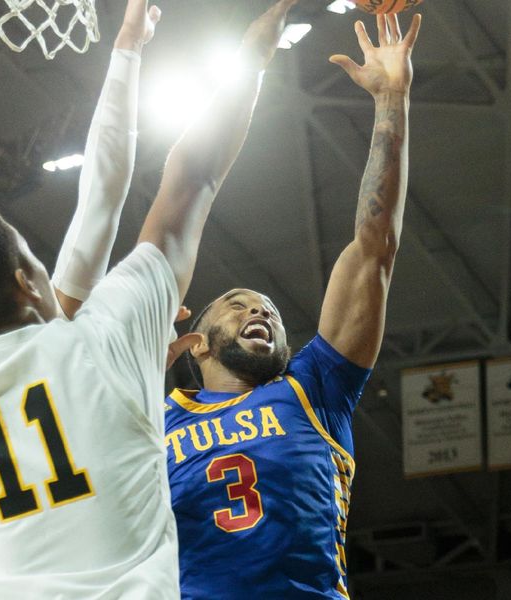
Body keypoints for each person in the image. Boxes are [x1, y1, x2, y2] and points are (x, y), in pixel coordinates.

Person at [0, 0, 298, 597]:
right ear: (28, 282)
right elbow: (183, 179)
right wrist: (252, 51)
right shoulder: (104, 346)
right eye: (30, 252)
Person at [164, 13, 423, 599]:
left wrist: (391, 101)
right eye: (237, 305)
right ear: (195, 342)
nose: (262, 312)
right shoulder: (153, 423)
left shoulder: (315, 389)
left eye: (271, 311)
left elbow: (374, 247)